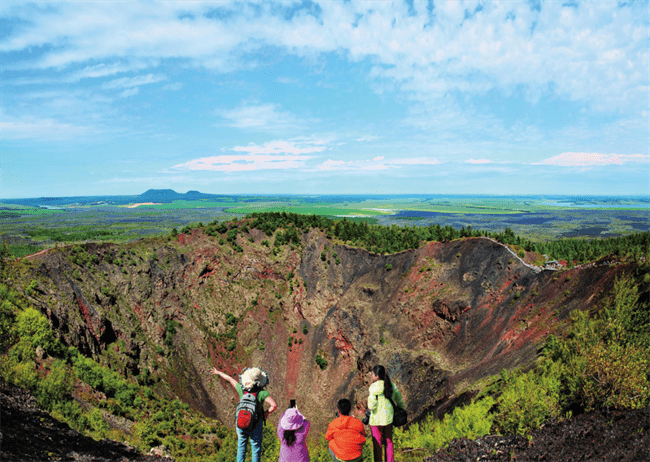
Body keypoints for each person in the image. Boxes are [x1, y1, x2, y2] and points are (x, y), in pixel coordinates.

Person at [212, 367, 278, 462]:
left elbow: (230, 379)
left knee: (241, 447)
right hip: (256, 424)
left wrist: (218, 372)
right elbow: (274, 405)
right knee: (255, 449)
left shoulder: (241, 389)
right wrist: (266, 413)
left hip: (241, 422)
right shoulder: (262, 393)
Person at [367, 365, 405, 462]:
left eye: (372, 374)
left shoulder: (373, 387)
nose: (372, 376)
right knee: (389, 442)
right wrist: (402, 409)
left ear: (376, 376)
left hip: (376, 420)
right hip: (388, 418)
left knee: (377, 444)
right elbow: (399, 399)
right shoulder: (391, 385)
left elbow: (371, 406)